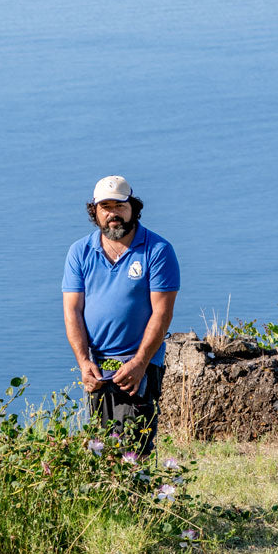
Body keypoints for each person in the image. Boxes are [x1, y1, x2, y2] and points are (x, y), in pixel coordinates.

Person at [62, 175, 180, 454]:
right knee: (100, 446)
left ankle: (138, 497)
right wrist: (83, 362)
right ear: (95, 211)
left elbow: (162, 314)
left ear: (133, 208)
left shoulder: (158, 250)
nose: (112, 214)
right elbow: (72, 311)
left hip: (139, 365)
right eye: (105, 207)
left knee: (133, 446)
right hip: (98, 367)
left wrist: (140, 362)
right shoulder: (80, 252)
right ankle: (113, 499)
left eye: (119, 206)